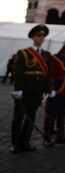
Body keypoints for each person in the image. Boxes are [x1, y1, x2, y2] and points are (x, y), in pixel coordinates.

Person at [10, 24, 52, 153]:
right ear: (33, 37)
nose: (40, 38)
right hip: (25, 89)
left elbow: (47, 74)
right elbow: (18, 72)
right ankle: (15, 144)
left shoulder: (46, 54)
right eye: (38, 36)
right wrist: (18, 89)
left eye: (42, 36)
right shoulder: (23, 53)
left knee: (31, 116)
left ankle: (26, 142)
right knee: (19, 116)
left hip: (38, 90)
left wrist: (47, 90)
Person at [44, 36, 65, 145]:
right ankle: (47, 137)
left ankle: (60, 136)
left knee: (63, 112)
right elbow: (50, 74)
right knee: (51, 112)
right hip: (58, 88)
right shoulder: (56, 57)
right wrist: (50, 88)